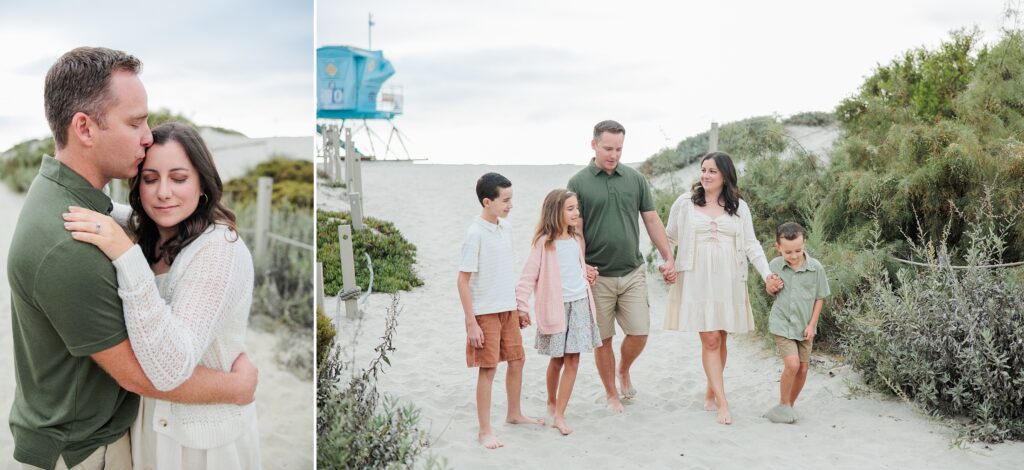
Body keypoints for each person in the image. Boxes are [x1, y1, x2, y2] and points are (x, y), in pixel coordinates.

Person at [7, 47, 255, 470]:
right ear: (84, 128)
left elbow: (127, 220)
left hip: (162, 436)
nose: (146, 135)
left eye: (179, 178)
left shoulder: (84, 206)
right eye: (136, 121)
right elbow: (141, 374)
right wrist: (235, 387)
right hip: (85, 450)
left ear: (201, 183)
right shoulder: (73, 242)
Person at [62, 122, 261, 467]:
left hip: (205, 440)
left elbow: (171, 366)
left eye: (179, 178)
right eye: (151, 179)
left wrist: (126, 256)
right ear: (138, 188)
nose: (163, 192)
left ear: (202, 184)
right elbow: (116, 216)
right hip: (148, 426)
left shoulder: (219, 249)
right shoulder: (145, 234)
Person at [567, 120, 676, 413]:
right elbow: (577, 230)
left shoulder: (635, 179)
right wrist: (582, 266)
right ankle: (612, 393)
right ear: (593, 145)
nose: (613, 154)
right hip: (597, 275)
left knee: (640, 332)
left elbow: (651, 219)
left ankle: (624, 369)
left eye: (619, 149)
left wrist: (668, 257)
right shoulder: (578, 183)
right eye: (608, 148)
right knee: (603, 340)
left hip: (632, 271)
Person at [663, 151, 778, 425]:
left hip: (729, 279)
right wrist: (666, 263)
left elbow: (751, 244)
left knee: (721, 336)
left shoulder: (739, 207)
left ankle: (711, 390)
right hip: (696, 278)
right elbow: (668, 237)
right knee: (710, 338)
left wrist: (767, 274)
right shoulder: (685, 203)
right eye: (703, 170)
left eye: (712, 171)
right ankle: (723, 403)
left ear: (725, 175)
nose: (705, 175)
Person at [457, 172, 543, 449]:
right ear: (486, 202)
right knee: (488, 369)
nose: (510, 205)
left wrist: (519, 307)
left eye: (511, 199)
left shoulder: (505, 229)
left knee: (517, 360)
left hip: (507, 308)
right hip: (484, 312)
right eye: (505, 200)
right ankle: (485, 431)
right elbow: (462, 281)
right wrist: (471, 323)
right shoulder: (474, 234)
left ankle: (514, 414)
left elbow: (507, 272)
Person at [515, 189, 602, 435]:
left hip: (580, 305)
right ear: (556, 212)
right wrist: (521, 307)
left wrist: (587, 272)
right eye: (570, 208)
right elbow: (528, 276)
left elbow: (574, 266)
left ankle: (560, 414)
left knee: (573, 359)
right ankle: (551, 402)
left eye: (577, 208)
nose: (576, 213)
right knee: (557, 359)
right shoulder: (544, 243)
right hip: (556, 307)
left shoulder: (575, 240)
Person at [763, 222, 830, 424]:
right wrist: (772, 287)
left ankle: (787, 407)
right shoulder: (774, 265)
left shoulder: (815, 268)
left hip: (805, 326)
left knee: (802, 368)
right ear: (779, 247)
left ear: (804, 244)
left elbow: (820, 297)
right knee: (791, 364)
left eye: (798, 251)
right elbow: (769, 289)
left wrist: (812, 325)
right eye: (788, 252)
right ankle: (783, 404)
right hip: (782, 322)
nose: (794, 256)